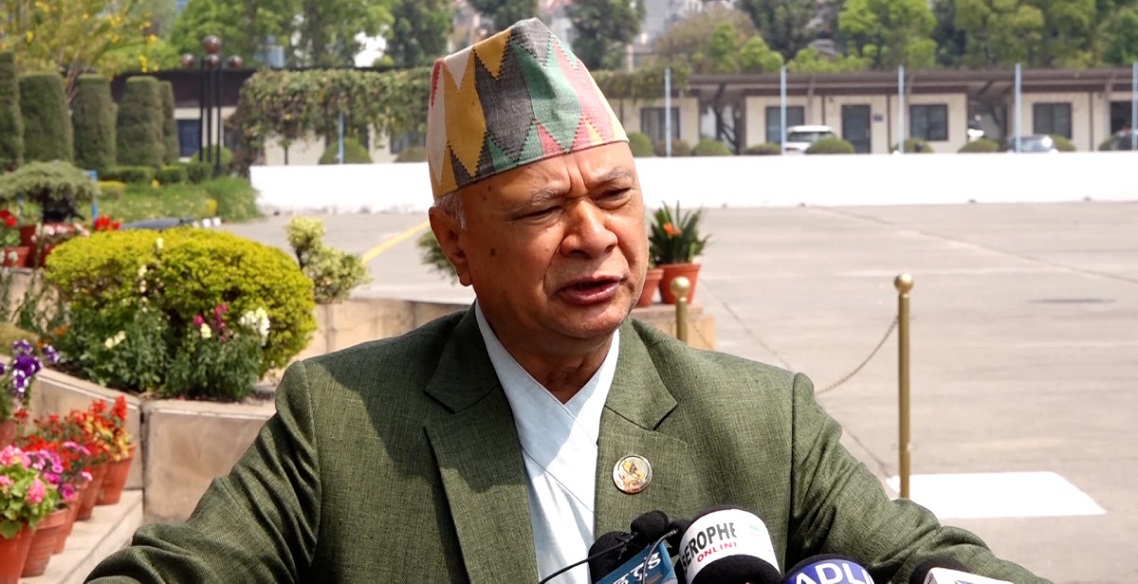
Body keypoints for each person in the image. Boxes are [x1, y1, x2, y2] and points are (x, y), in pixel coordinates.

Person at [87, 19, 1050, 584]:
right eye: (544, 208)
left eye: (615, 195)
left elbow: (928, 558)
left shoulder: (765, 421)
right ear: (457, 242)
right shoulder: (340, 423)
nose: (595, 235)